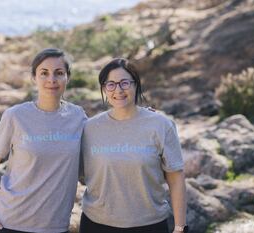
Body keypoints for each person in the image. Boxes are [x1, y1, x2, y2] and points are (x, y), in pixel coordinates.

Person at [0, 48, 86, 233]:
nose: (51, 79)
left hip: (56, 227)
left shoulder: (78, 117)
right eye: (44, 73)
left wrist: (143, 117)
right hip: (10, 223)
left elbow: (96, 158)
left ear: (67, 77)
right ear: (34, 77)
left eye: (59, 73)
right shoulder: (15, 116)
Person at [80, 58, 187, 233]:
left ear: (136, 85)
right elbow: (82, 175)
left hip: (150, 225)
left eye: (124, 83)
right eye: (111, 84)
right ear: (104, 89)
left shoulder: (161, 125)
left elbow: (176, 179)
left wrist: (180, 227)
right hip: (96, 224)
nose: (118, 90)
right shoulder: (89, 128)